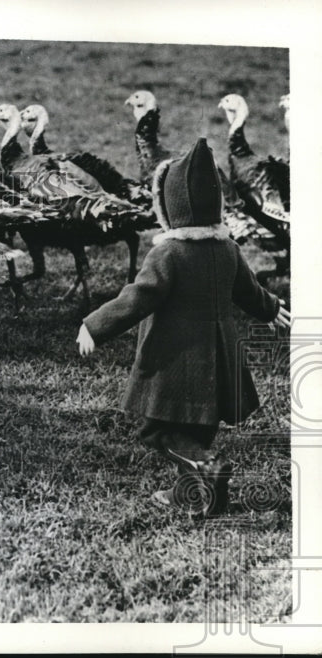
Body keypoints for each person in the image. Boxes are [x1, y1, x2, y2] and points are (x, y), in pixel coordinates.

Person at [75, 138, 291, 516]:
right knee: (199, 431)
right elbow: (249, 290)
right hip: (219, 358)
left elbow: (137, 297)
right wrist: (271, 309)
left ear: (169, 207)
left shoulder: (168, 253)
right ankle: (193, 493)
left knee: (157, 431)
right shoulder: (228, 249)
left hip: (175, 361)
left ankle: (209, 467)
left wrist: (95, 325)